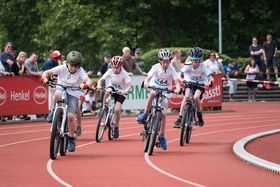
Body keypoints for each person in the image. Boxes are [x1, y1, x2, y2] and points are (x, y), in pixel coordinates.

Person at [41, 51, 93, 152]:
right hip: (62, 87)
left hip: (74, 92)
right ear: (67, 63)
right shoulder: (62, 68)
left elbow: (89, 80)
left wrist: (86, 85)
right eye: (72, 65)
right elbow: (47, 72)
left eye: (76, 66)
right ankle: (53, 112)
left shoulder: (80, 70)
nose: (73, 68)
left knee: (70, 116)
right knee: (57, 94)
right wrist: (44, 77)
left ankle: (71, 139)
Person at [136, 49, 181, 150]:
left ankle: (161, 136)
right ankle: (145, 113)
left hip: (166, 91)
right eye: (163, 62)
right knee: (152, 93)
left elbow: (176, 81)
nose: (165, 64)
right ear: (160, 61)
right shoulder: (155, 67)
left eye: (167, 62)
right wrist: (146, 82)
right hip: (155, 87)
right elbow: (148, 77)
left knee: (164, 114)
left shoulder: (172, 69)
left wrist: (177, 88)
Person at [172, 47, 213, 128]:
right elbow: (180, 74)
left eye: (197, 60)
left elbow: (211, 78)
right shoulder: (188, 65)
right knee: (186, 97)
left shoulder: (203, 67)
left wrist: (209, 82)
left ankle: (199, 115)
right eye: (193, 60)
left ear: (200, 60)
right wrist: (181, 79)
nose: (195, 62)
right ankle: (180, 118)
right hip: (189, 83)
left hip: (200, 84)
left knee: (196, 97)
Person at [97, 56, 132, 139]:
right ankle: (103, 108)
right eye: (114, 67)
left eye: (117, 67)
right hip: (112, 87)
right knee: (107, 92)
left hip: (121, 91)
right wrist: (98, 85)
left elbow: (130, 85)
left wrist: (125, 91)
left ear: (121, 66)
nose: (115, 69)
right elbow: (101, 79)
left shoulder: (124, 73)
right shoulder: (109, 71)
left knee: (117, 110)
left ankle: (116, 127)